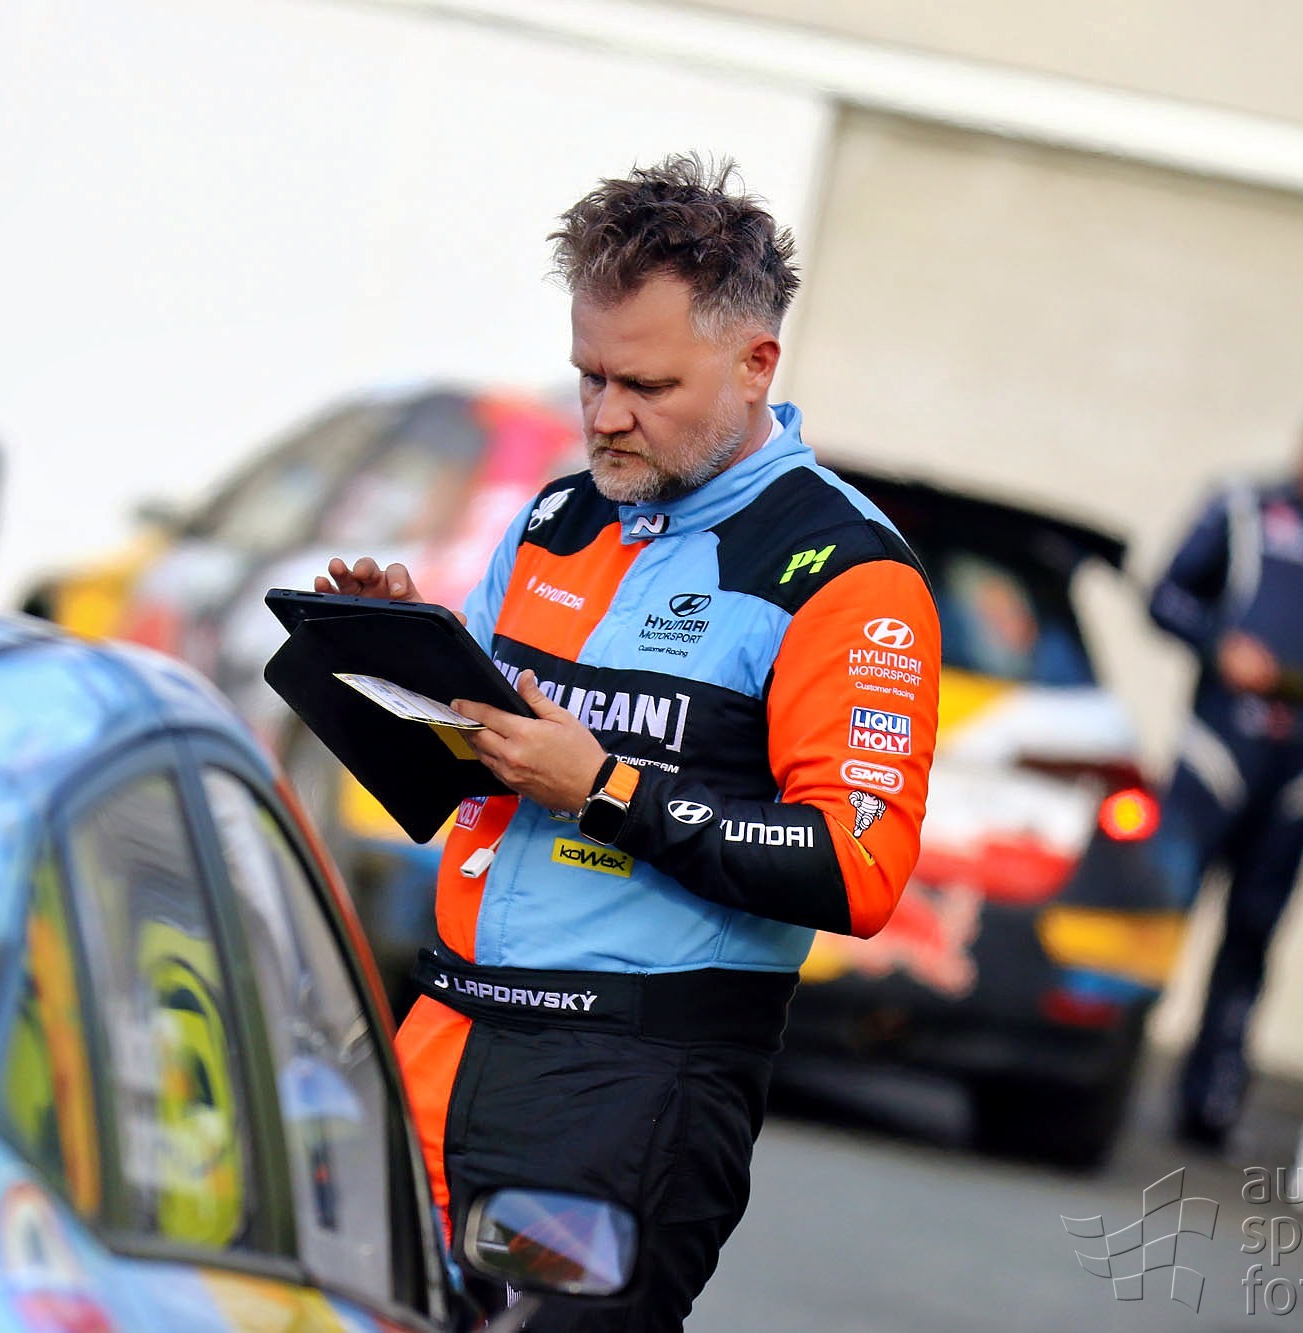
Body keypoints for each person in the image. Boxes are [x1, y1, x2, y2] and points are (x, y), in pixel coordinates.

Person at [315, 155, 940, 1332]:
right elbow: (460, 781)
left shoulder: (846, 576)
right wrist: (398, 667)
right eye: (588, 375)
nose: (604, 416)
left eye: (646, 384)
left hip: (623, 1088)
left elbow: (854, 867)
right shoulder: (558, 518)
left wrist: (604, 786)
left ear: (755, 363)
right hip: (441, 1035)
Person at [1149, 394, 1303, 1150]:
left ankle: (1211, 1099)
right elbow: (1165, 596)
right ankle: (1112, 1066)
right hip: (1216, 757)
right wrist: (1220, 647)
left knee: (1254, 935)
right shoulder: (1243, 508)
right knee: (1159, 919)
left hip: (1302, 773)